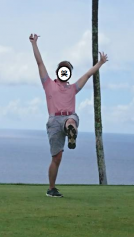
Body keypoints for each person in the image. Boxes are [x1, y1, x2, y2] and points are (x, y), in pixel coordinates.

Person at [29, 33, 108, 198]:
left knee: (71, 120)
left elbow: (87, 75)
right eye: (63, 69)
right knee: (56, 158)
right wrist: (34, 43)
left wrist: (100, 63)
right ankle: (51, 188)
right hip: (53, 121)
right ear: (58, 71)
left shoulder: (73, 88)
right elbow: (40, 63)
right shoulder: (48, 84)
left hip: (68, 117)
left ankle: (71, 130)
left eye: (68, 70)